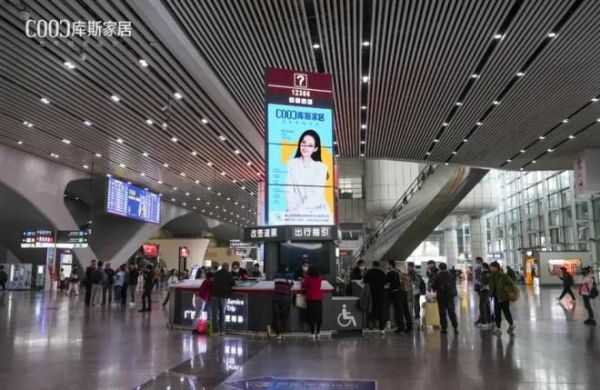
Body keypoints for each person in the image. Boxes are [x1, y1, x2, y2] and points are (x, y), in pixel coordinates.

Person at [286, 129, 330, 217]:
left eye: (310, 145)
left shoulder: (321, 167)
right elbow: (289, 189)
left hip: (317, 212)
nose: (305, 147)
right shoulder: (292, 163)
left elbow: (317, 194)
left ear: (315, 148)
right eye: (303, 142)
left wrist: (299, 210)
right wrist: (292, 208)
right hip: (295, 212)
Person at [489, 261, 516, 335]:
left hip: (504, 297)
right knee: (497, 313)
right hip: (496, 297)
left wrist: (505, 289)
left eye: (491, 267)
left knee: (506, 312)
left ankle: (511, 325)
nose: (490, 268)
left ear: (496, 267)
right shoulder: (492, 276)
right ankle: (498, 328)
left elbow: (511, 284)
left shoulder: (503, 275)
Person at [432, 263, 459, 334]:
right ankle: (455, 327)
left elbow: (433, 286)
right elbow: (454, 284)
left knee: (442, 313)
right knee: (452, 312)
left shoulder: (438, 275)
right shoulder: (451, 274)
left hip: (441, 297)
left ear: (440, 268)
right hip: (450, 296)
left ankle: (444, 328)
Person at [270, 265, 293, 340]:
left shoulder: (276, 275)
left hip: (276, 296)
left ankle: (278, 333)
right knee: (284, 316)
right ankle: (282, 333)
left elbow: (274, 282)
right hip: (285, 297)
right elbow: (291, 285)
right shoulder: (290, 275)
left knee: (276, 315)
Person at [363, 261, 387, 334]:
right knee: (381, 311)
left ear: (372, 265)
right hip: (381, 294)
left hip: (372, 295)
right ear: (378, 266)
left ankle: (371, 325)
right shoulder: (382, 272)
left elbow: (364, 281)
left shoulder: (369, 272)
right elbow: (385, 282)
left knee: (372, 309)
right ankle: (382, 329)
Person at [211, 262, 235, 335]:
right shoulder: (228, 274)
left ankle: (216, 331)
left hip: (215, 294)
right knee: (222, 312)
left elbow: (212, 281)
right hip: (224, 295)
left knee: (215, 313)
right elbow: (232, 283)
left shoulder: (216, 273)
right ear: (227, 267)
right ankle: (222, 330)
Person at [302, 265, 324, 339]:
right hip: (318, 299)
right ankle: (318, 332)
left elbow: (303, 285)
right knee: (318, 316)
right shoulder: (319, 278)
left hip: (310, 299)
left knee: (311, 316)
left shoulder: (307, 278)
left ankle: (312, 333)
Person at [385, 260, 406, 333]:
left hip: (394, 293)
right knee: (399, 310)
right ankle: (401, 327)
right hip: (400, 292)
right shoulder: (398, 271)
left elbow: (385, 281)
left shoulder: (390, 273)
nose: (387, 266)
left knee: (397, 310)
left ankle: (400, 328)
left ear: (390, 265)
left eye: (387, 264)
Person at [477, 263, 492, 328]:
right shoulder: (487, 273)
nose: (480, 267)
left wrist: (481, 286)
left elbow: (487, 283)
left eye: (481, 266)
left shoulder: (486, 274)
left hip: (484, 291)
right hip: (486, 290)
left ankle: (484, 322)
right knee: (487, 305)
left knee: (482, 306)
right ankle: (488, 320)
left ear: (484, 267)